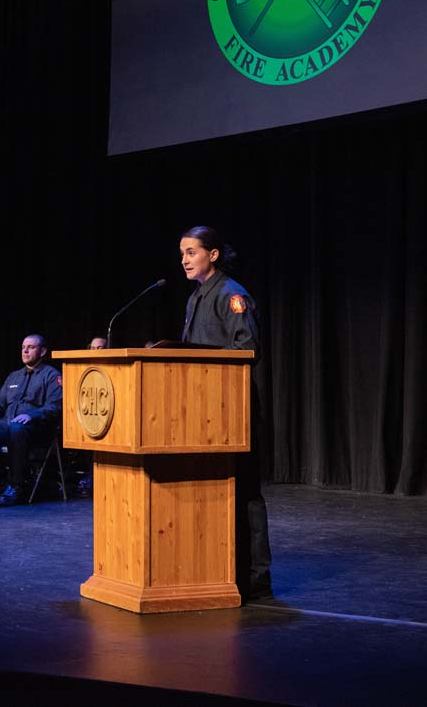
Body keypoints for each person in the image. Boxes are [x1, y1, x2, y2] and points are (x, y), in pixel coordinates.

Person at [179, 225, 271, 601]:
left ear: (213, 255)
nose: (184, 259)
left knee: (245, 492)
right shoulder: (196, 297)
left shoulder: (232, 296)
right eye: (182, 253)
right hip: (200, 412)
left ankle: (256, 578)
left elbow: (246, 349)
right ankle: (217, 570)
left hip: (230, 411)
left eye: (191, 252)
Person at [0, 334, 62, 506]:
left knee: (17, 428)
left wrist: (31, 415)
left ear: (43, 351)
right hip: (8, 424)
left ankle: (16, 486)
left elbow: (55, 406)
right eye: (23, 347)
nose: (25, 351)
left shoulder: (51, 376)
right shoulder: (14, 376)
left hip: (36, 429)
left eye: (31, 347)